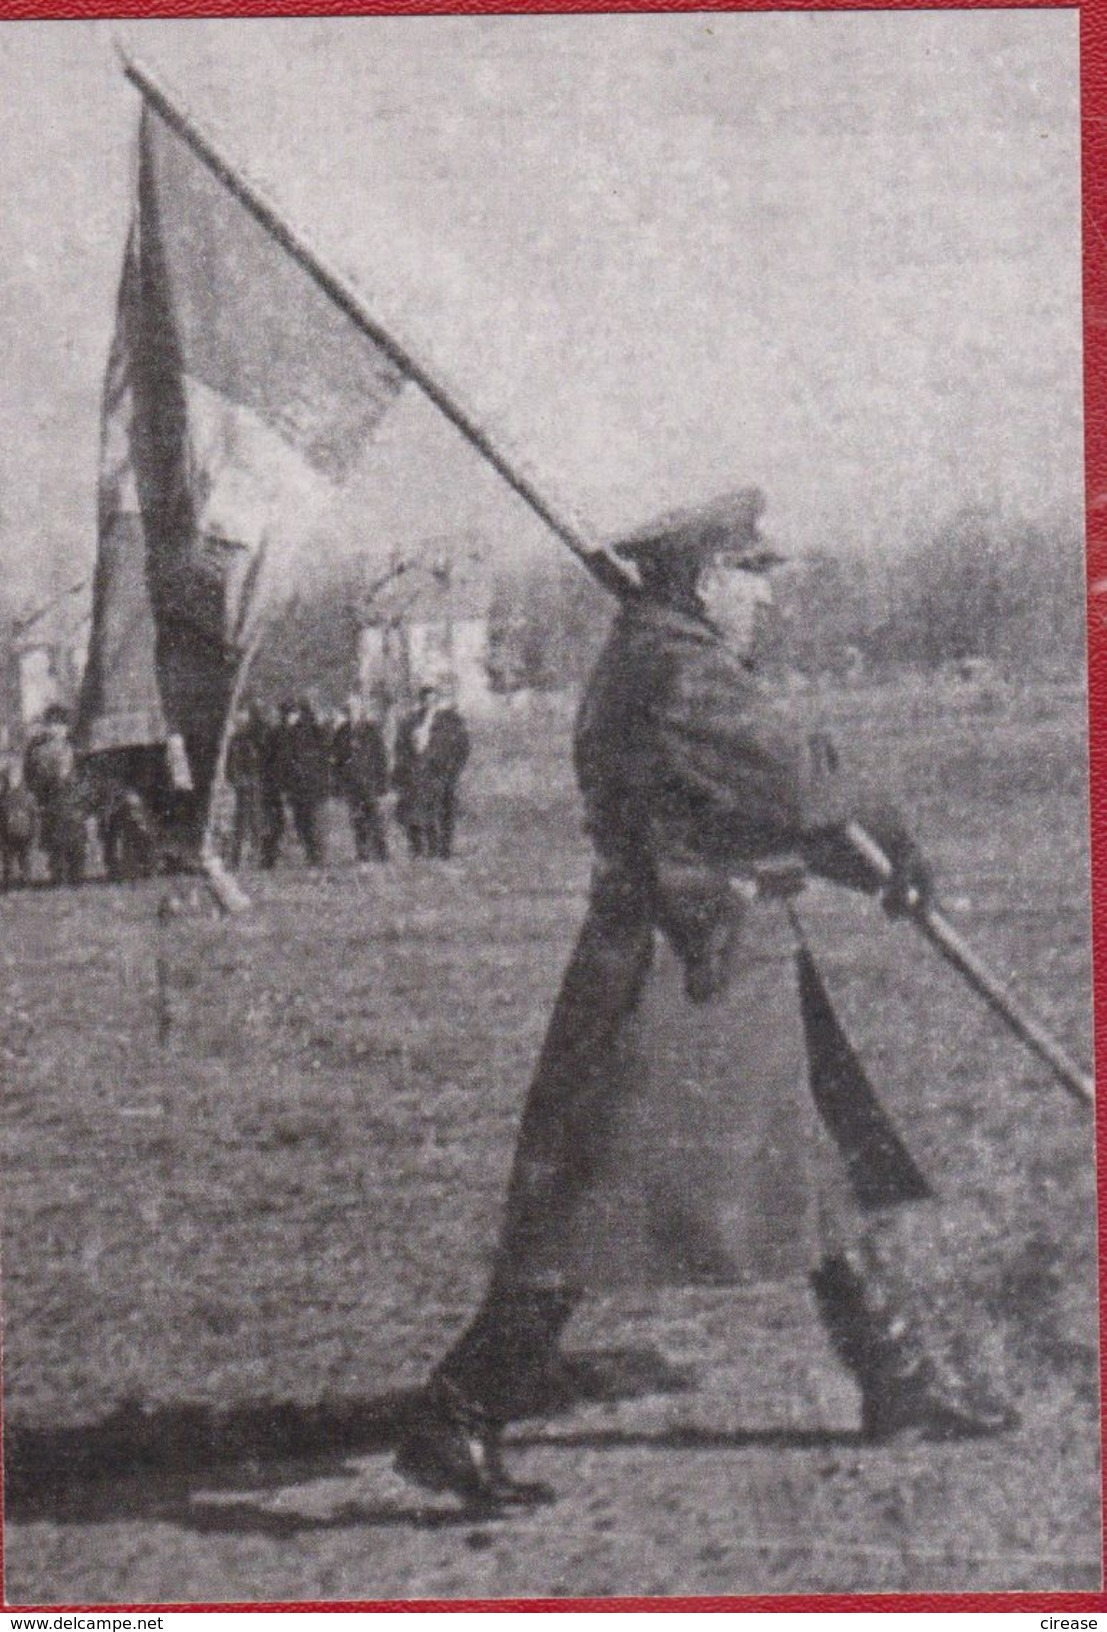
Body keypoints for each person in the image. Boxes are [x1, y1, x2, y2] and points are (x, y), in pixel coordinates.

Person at [392, 487, 1018, 1509]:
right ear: (700, 579)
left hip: (727, 947)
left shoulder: (673, 659)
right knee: (596, 1193)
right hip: (682, 965)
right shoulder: (677, 670)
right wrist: (888, 835)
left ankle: (898, 1380)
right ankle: (458, 1413)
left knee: (817, 1162)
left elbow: (765, 808)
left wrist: (879, 866)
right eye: (750, 576)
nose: (765, 598)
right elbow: (796, 783)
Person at [392, 683, 471, 859]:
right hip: (417, 775)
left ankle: (443, 850)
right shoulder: (410, 721)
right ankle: (419, 849)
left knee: (443, 812)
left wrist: (453, 769)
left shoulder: (451, 721)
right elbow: (401, 749)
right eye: (426, 700)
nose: (430, 703)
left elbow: (463, 747)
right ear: (422, 701)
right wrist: (403, 771)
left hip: (442, 774)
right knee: (415, 814)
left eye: (434, 700)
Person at [331, 695, 390, 863]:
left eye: (357, 709)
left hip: (370, 782)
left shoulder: (372, 731)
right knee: (357, 819)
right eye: (351, 710)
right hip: (352, 784)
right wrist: (337, 785)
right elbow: (336, 759)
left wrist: (382, 784)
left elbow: (381, 758)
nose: (355, 713)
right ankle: (362, 852)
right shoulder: (342, 732)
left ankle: (381, 853)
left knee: (375, 817)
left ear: (362, 711)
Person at [274, 695, 331, 867]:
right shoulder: (297, 731)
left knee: (308, 822)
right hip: (306, 785)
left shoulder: (302, 730)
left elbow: (288, 758)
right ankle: (314, 857)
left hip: (305, 785)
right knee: (308, 822)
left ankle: (315, 858)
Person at [225, 704, 264, 870]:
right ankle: (244, 859)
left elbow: (230, 767)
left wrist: (236, 779)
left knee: (248, 822)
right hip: (247, 783)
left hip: (249, 783)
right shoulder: (239, 741)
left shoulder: (243, 740)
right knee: (245, 822)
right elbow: (231, 766)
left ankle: (249, 858)